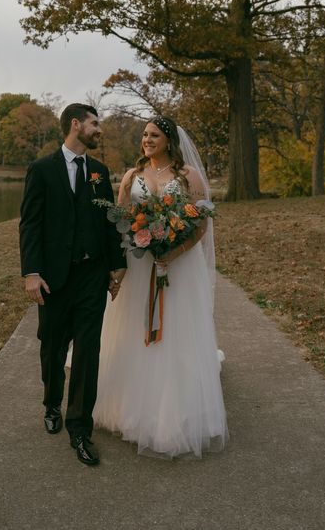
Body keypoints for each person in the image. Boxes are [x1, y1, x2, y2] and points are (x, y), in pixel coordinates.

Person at [94, 116, 228, 458]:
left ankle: (173, 416)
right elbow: (122, 221)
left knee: (176, 336)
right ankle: (130, 409)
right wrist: (124, 265)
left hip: (178, 267)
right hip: (140, 268)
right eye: (144, 134)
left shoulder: (188, 177)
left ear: (169, 140)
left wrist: (171, 251)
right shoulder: (131, 176)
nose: (147, 140)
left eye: (154, 135)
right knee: (133, 333)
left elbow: (199, 226)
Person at [19, 103, 126, 466]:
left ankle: (79, 428)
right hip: (53, 278)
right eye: (96, 123)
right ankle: (51, 402)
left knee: (86, 352)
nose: (100, 129)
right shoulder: (42, 170)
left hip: (92, 278)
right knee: (51, 346)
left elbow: (109, 220)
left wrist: (117, 265)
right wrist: (31, 272)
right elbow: (30, 224)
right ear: (76, 124)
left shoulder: (99, 171)